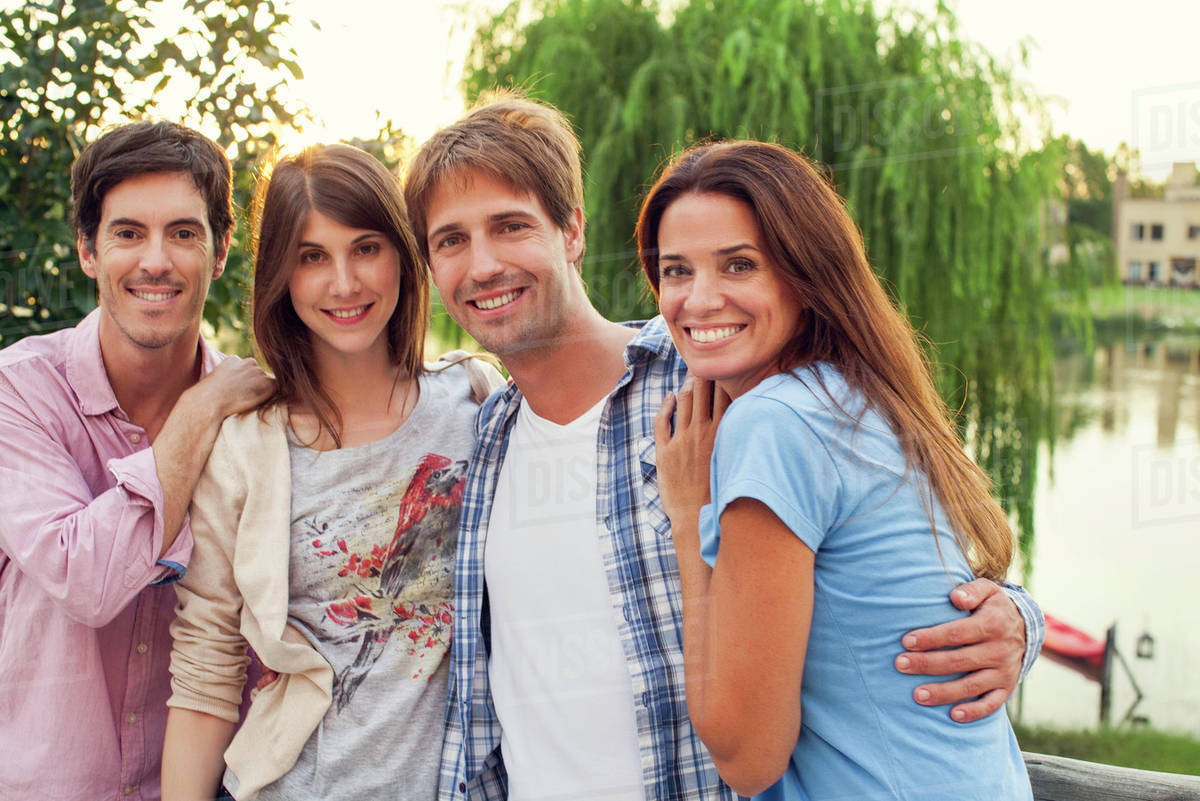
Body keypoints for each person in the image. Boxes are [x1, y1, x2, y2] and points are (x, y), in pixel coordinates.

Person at [402, 92, 1043, 801]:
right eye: (450, 240)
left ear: (573, 230)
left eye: (510, 225)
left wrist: (1018, 620)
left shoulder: (717, 384)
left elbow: (919, 549)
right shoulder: (482, 431)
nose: (483, 264)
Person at [644, 140, 1034, 799]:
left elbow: (745, 754)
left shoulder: (776, 422)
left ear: (804, 275)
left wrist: (687, 514)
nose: (698, 299)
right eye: (676, 270)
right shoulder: (858, 398)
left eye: (738, 265)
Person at [160, 144, 502, 801]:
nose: (344, 282)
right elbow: (205, 668)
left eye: (366, 247)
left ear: (403, 253)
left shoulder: (476, 399)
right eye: (311, 256)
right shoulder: (246, 447)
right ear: (280, 276)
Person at [0, 121, 274, 800]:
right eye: (128, 233)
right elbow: (85, 577)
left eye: (183, 233)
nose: (156, 260)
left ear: (219, 253)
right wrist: (199, 412)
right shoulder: (20, 392)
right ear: (88, 250)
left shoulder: (260, 417)